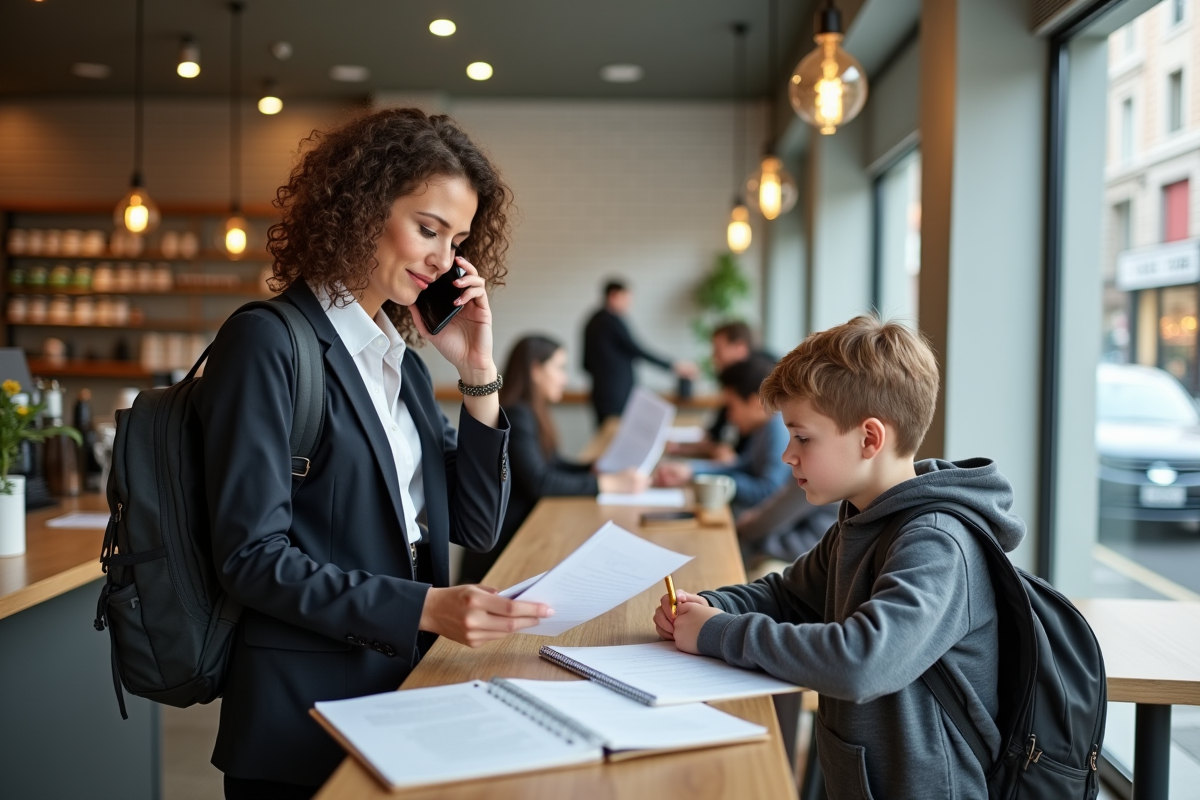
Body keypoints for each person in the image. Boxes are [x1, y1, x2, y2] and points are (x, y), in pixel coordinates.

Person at [195, 108, 554, 800]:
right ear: (360, 209)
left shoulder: (403, 364)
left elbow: (476, 526)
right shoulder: (269, 343)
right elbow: (250, 558)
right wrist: (426, 608)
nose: (442, 260)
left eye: (457, 241)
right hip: (303, 720)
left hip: (403, 695)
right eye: (427, 229)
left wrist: (476, 369)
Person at [653, 316, 1026, 800]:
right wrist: (707, 605)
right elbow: (785, 596)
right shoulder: (861, 520)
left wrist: (715, 632)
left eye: (803, 438)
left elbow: (862, 662)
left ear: (870, 439)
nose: (788, 455)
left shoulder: (937, 543)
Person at [458, 335, 649, 584]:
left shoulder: (531, 410)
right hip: (501, 548)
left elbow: (552, 463)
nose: (565, 378)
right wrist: (608, 484)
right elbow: (539, 480)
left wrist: (593, 469)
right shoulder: (516, 413)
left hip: (520, 535)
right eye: (559, 368)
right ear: (536, 370)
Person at [654, 356, 791, 514]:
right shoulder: (763, 427)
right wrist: (691, 471)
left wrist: (717, 482)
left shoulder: (778, 429)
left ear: (756, 404)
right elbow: (746, 465)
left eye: (732, 407)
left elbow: (767, 492)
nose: (729, 416)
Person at [581, 279, 695, 424]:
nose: (629, 304)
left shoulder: (592, 320)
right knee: (615, 436)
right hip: (616, 394)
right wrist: (674, 366)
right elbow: (637, 349)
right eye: (626, 299)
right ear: (614, 295)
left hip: (601, 391)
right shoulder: (611, 321)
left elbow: (585, 363)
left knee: (607, 435)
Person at [667, 320, 775, 461]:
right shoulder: (733, 380)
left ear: (740, 347)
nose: (714, 358)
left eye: (718, 351)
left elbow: (741, 455)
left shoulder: (762, 377)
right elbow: (717, 430)